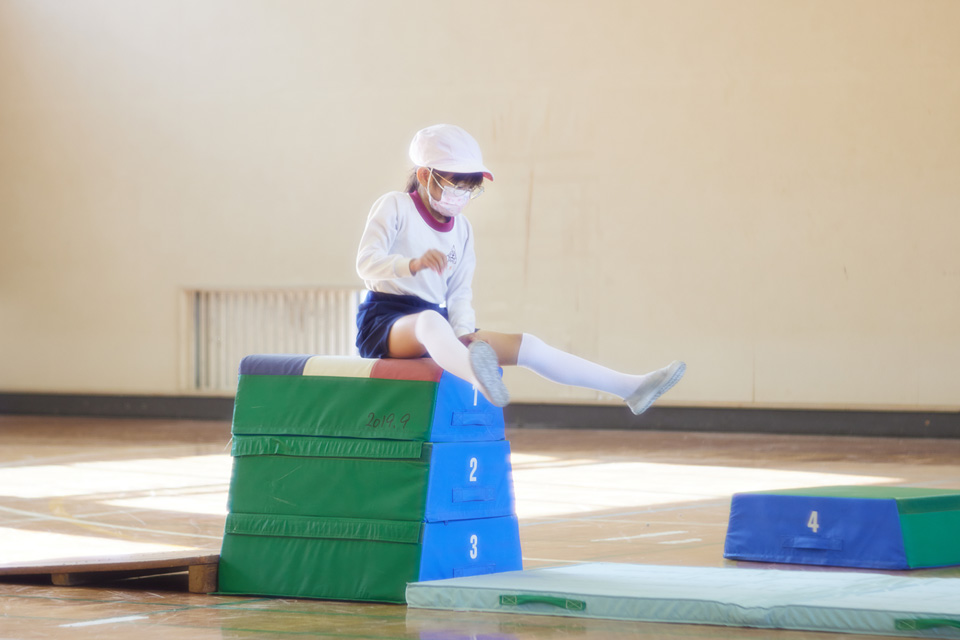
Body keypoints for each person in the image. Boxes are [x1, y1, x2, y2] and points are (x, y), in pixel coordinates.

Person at [355, 123, 685, 413]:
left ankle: (632, 388)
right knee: (430, 322)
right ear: (425, 175)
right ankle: (477, 377)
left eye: (470, 189)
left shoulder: (462, 229)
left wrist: (464, 331)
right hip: (387, 321)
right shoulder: (394, 206)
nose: (462, 196)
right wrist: (410, 265)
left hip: (438, 322)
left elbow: (459, 292)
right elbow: (366, 263)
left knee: (529, 346)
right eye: (456, 185)